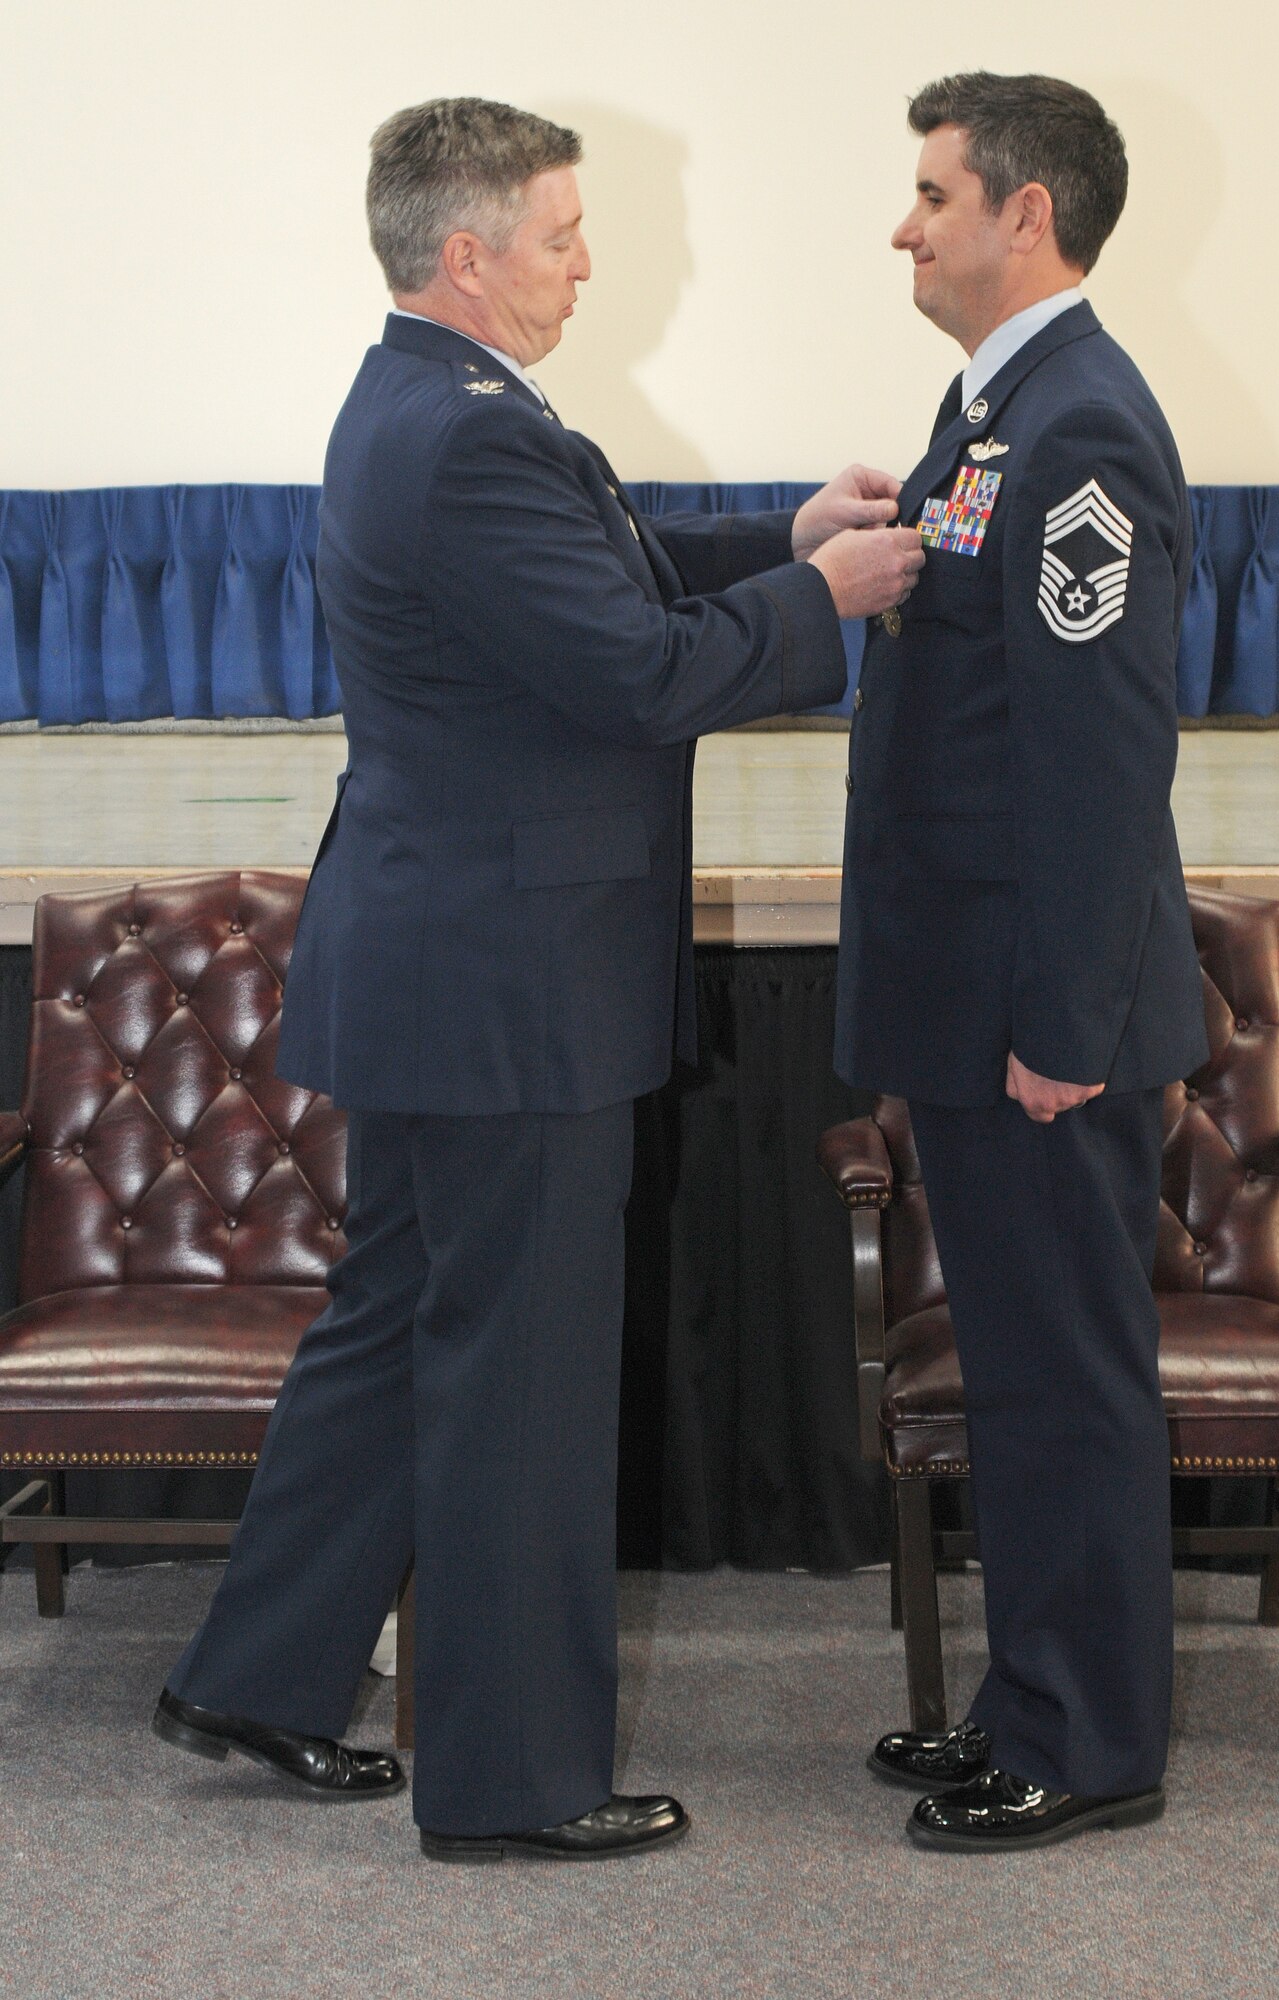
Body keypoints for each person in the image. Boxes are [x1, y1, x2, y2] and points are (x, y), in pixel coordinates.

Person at [152, 95, 923, 1863]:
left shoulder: (432, 403)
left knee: (388, 1338)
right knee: (518, 1383)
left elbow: (606, 587)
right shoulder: (465, 433)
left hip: (445, 962)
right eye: (566, 234)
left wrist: (781, 542)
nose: (591, 261)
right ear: (469, 251)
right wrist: (834, 601)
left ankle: (255, 1677)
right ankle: (513, 1781)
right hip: (506, 990)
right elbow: (638, 678)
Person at [835, 72, 1209, 1851]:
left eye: (931, 194)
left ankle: (1091, 1742)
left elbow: (1091, 754)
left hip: (1032, 1016)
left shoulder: (1079, 433)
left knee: (1064, 1375)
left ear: (1024, 215)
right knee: (1020, 1367)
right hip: (977, 993)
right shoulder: (992, 411)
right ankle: (1025, 1699)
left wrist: (1061, 1020)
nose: (904, 226)